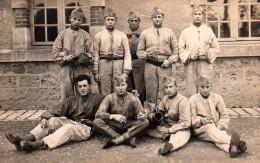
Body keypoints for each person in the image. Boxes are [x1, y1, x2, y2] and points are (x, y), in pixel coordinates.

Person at [6, 75, 104, 151]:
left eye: (85, 86)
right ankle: (24, 139)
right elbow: (55, 110)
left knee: (68, 128)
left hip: (85, 128)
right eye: (80, 86)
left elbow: (107, 110)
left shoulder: (98, 99)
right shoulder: (71, 100)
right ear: (77, 88)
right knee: (52, 120)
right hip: (71, 122)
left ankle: (35, 145)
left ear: (90, 86)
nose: (82, 88)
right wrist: (45, 118)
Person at [189, 76, 247, 158]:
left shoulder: (217, 98)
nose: (205, 90)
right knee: (211, 130)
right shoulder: (193, 99)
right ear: (198, 87)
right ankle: (236, 142)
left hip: (217, 126)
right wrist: (201, 120)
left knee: (218, 138)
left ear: (211, 86)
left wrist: (220, 124)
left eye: (207, 87)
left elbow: (224, 115)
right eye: (202, 87)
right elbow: (190, 119)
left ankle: (233, 148)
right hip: (202, 129)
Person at [137, 7, 178, 111]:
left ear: (163, 18)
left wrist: (169, 61)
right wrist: (146, 55)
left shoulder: (169, 32)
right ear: (151, 19)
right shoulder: (145, 33)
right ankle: (152, 116)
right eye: (155, 17)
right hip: (150, 66)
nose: (157, 19)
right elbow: (139, 52)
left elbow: (176, 52)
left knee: (166, 90)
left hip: (165, 66)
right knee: (151, 92)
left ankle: (166, 114)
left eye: (159, 17)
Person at [92, 74, 149, 149]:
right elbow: (98, 114)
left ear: (126, 85)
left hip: (129, 125)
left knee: (145, 122)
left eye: (122, 85)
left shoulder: (133, 98)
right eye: (118, 85)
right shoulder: (109, 97)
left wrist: (142, 115)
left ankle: (119, 140)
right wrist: (113, 116)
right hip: (114, 125)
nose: (120, 88)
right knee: (96, 122)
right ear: (114, 86)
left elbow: (141, 114)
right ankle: (121, 137)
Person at [52, 8, 94, 101]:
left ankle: (84, 111)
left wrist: (82, 58)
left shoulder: (86, 35)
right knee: (66, 92)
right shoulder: (62, 34)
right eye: (74, 19)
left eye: (79, 20)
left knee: (83, 91)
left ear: (82, 21)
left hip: (82, 68)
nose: (76, 22)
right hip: (66, 68)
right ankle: (68, 112)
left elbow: (92, 53)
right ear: (70, 19)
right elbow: (55, 53)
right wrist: (65, 57)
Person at [178, 5, 219, 98]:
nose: (197, 16)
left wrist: (207, 54)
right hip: (190, 65)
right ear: (192, 16)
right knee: (191, 88)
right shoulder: (186, 31)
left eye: (199, 14)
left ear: (202, 16)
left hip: (205, 64)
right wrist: (189, 56)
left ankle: (205, 110)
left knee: (204, 86)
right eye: (195, 14)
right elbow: (180, 48)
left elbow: (216, 47)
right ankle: (192, 110)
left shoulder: (208, 31)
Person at [146, 76, 191, 155]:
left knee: (183, 134)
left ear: (176, 87)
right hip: (166, 125)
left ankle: (170, 146)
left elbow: (186, 123)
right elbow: (159, 114)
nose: (169, 90)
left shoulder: (183, 100)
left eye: (171, 87)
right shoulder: (165, 98)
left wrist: (169, 130)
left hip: (179, 127)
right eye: (166, 87)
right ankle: (168, 137)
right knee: (146, 127)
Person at [93, 8, 132, 96]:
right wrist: (96, 72)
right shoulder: (98, 36)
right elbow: (95, 54)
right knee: (104, 90)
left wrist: (125, 72)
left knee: (118, 89)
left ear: (116, 21)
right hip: (103, 65)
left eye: (112, 20)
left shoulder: (122, 35)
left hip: (118, 64)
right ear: (104, 20)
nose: (110, 22)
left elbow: (127, 54)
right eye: (108, 19)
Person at [124, 10, 146, 105]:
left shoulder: (143, 34)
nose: (134, 23)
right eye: (131, 20)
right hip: (127, 63)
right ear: (128, 22)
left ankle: (140, 107)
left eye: (136, 20)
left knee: (140, 87)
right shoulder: (123, 34)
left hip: (140, 64)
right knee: (128, 86)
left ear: (139, 22)